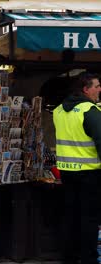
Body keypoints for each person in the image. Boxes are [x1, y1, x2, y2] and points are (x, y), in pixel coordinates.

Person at [53, 72, 101, 264]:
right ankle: (89, 259)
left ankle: (69, 257)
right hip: (89, 173)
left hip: (67, 172)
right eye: (96, 86)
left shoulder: (58, 111)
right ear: (85, 89)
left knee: (71, 215)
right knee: (89, 218)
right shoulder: (89, 110)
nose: (99, 89)